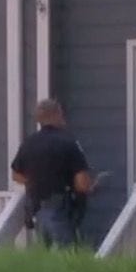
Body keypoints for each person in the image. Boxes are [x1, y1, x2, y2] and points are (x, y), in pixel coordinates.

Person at [11, 99, 95, 249]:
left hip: (36, 206)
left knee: (45, 252)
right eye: (61, 113)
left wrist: (35, 181)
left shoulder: (29, 143)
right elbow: (82, 183)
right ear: (56, 115)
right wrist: (90, 187)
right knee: (66, 252)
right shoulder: (68, 143)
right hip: (60, 207)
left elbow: (16, 175)